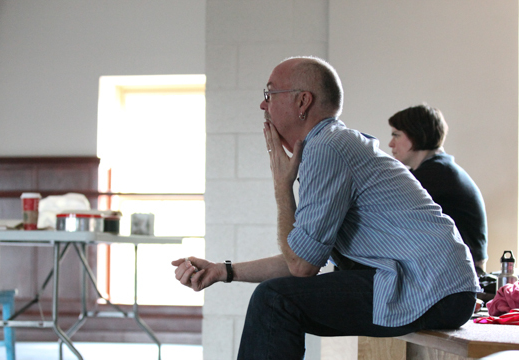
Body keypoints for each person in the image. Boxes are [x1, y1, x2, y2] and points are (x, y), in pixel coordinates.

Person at [172, 56, 479, 360]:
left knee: (275, 300)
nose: (263, 106)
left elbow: (301, 267)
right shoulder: (330, 145)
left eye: (270, 94)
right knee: (277, 298)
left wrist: (282, 186)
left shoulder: (327, 148)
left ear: (302, 101)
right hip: (436, 287)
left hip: (432, 288)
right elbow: (303, 258)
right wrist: (225, 271)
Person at [388, 105, 488, 274]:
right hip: (456, 268)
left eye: (396, 135)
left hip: (461, 273)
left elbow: (386, 209)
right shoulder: (437, 169)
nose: (391, 143)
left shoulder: (436, 174)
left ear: (416, 134)